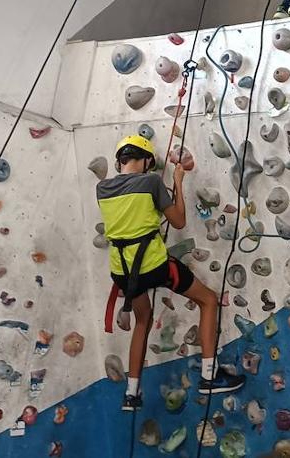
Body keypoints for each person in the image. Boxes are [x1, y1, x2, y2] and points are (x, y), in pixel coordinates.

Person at [97, 135, 245, 411]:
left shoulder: (102, 188)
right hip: (153, 266)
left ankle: (132, 394)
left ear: (120, 161)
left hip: (122, 271)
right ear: (147, 161)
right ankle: (209, 375)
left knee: (143, 321)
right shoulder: (151, 181)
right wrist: (177, 180)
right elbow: (178, 220)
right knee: (209, 300)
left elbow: (131, 215)